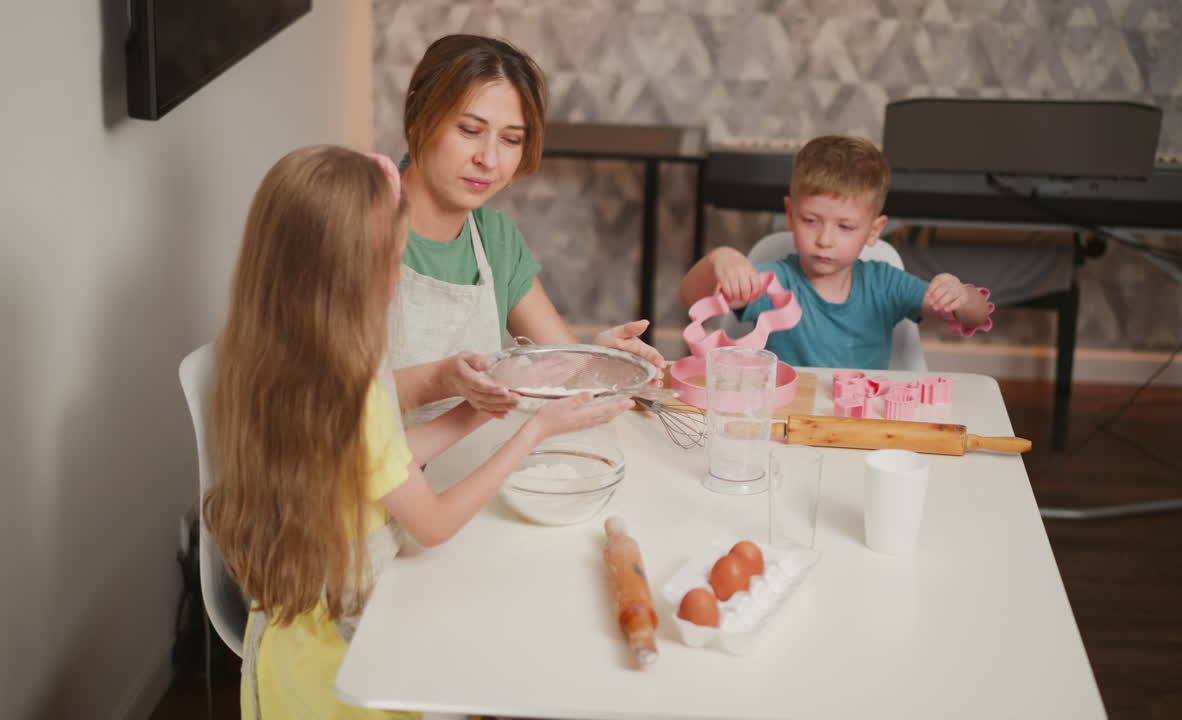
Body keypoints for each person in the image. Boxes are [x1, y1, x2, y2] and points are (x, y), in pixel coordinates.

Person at [203, 145, 633, 719]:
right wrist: (531, 434)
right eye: (394, 263)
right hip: (348, 659)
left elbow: (378, 463)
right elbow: (430, 522)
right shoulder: (351, 392)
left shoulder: (280, 364)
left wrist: (484, 407)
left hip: (288, 639)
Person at [389, 34, 664, 424]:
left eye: (511, 139)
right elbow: (321, 398)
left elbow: (560, 371)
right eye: (469, 130)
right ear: (418, 112)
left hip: (473, 468)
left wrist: (601, 358)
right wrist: (443, 381)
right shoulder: (352, 224)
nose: (489, 159)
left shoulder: (496, 240)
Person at [679, 135, 993, 369]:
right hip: (791, 419)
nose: (825, 240)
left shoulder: (885, 285)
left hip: (862, 426)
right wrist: (719, 258)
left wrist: (961, 296)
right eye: (810, 220)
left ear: (873, 231)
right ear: (790, 215)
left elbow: (976, 315)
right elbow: (692, 297)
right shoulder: (774, 282)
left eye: (845, 227)